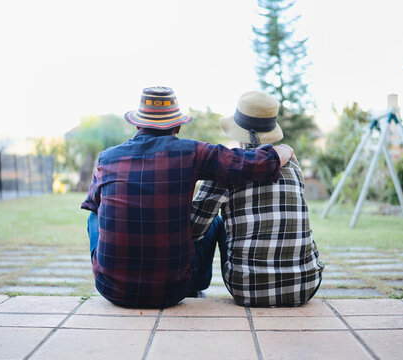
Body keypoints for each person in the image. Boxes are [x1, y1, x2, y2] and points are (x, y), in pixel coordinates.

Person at [81, 86, 296, 308]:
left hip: (112, 289)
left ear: (137, 124)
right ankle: (197, 284)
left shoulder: (107, 158)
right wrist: (282, 152)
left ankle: (114, 272)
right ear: (178, 126)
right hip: (173, 290)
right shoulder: (193, 152)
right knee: (212, 223)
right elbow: (247, 164)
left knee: (94, 216)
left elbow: (93, 204)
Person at [191, 90, 324, 307]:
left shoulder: (226, 168)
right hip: (306, 286)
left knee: (214, 221)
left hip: (247, 290)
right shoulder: (293, 165)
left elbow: (194, 229)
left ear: (239, 132)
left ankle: (194, 286)